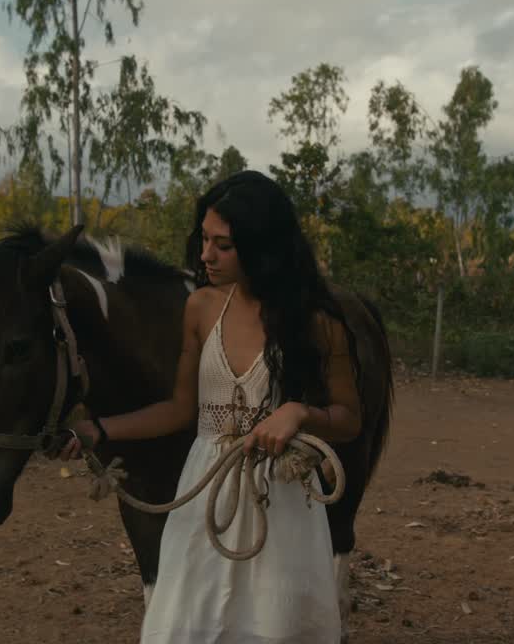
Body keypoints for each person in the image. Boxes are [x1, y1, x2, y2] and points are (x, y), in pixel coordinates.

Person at [60, 170, 363, 643]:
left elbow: (349, 418)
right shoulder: (201, 308)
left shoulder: (318, 323)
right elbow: (181, 409)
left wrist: (300, 413)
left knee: (274, 628)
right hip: (204, 500)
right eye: (204, 239)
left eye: (223, 245)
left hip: (279, 503)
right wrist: (97, 430)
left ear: (263, 247)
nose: (205, 255)